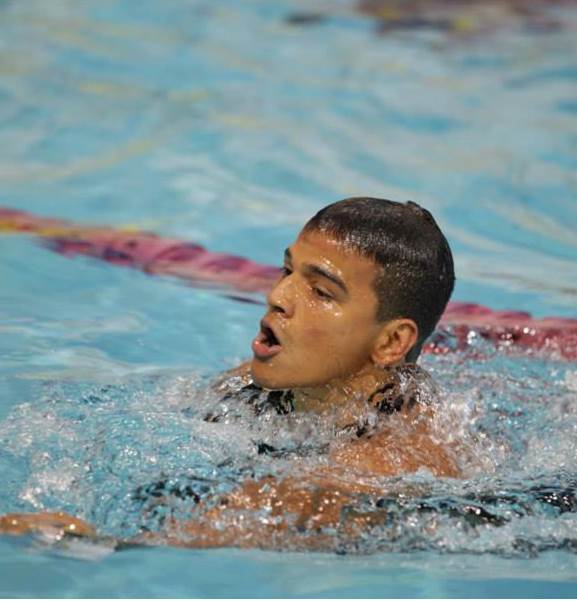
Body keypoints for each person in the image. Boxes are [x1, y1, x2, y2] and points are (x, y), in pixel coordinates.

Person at [0, 197, 460, 549]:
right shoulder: (271, 381)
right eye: (287, 270)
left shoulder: (392, 466)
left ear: (391, 342)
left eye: (321, 292)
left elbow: (248, 522)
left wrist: (92, 538)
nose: (278, 296)